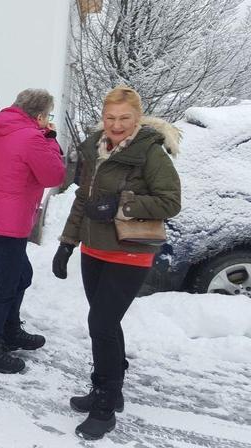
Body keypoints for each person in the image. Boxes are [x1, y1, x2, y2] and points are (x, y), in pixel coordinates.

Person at [52, 85, 181, 441]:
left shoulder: (151, 153)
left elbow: (170, 201)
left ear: (137, 119)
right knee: (107, 325)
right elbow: (82, 199)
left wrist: (123, 205)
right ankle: (109, 388)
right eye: (111, 117)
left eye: (124, 118)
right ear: (103, 118)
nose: (117, 125)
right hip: (94, 250)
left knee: (102, 323)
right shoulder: (96, 149)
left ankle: (105, 406)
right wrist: (67, 243)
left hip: (130, 251)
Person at [0, 89, 65, 374]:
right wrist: (50, 138)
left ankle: (10, 331)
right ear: (39, 115)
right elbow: (54, 175)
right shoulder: (33, 137)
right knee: (6, 286)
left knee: (23, 274)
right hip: (8, 222)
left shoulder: (0, 129)